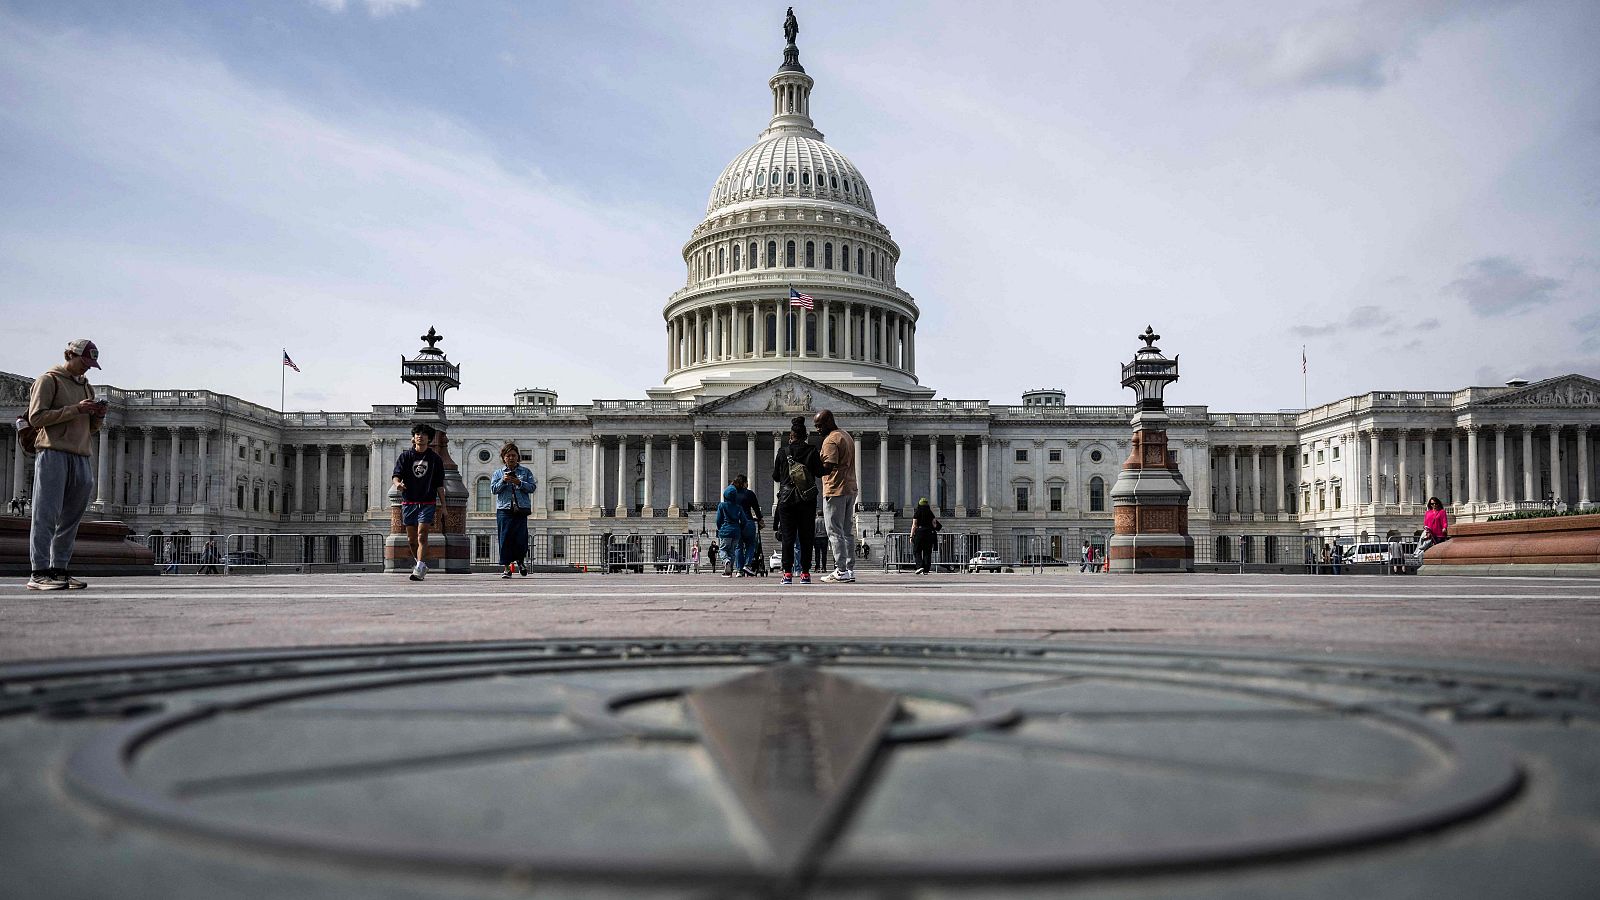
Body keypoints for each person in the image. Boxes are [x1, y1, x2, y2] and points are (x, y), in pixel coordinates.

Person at [25, 339, 106, 591]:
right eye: (84, 362)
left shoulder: (87, 387)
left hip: (81, 454)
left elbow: (90, 428)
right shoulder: (49, 380)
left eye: (91, 364)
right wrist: (75, 409)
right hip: (53, 451)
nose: (87, 368)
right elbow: (36, 417)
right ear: (69, 355)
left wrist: (97, 417)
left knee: (71, 518)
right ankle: (39, 572)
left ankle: (59, 569)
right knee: (45, 514)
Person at [771, 416, 824, 585]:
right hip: (806, 499)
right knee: (806, 537)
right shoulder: (812, 451)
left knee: (788, 537)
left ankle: (787, 573)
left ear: (791, 436)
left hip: (786, 499)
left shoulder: (782, 452)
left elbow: (776, 476)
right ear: (805, 436)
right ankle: (805, 573)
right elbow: (820, 472)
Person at [393, 423, 446, 581]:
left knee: (422, 535)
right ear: (413, 437)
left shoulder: (435, 459)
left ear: (429, 439)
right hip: (409, 501)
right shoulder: (405, 456)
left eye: (423, 434)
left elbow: (439, 485)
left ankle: (419, 568)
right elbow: (396, 476)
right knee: (411, 540)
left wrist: (444, 506)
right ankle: (420, 564)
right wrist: (398, 484)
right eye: (417, 434)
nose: (420, 436)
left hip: (427, 502)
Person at [813, 409, 858, 583]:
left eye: (819, 425)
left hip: (835, 489)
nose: (817, 429)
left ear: (828, 422)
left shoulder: (831, 440)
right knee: (847, 532)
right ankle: (849, 569)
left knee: (834, 531)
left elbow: (828, 466)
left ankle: (840, 570)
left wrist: (812, 467)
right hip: (849, 488)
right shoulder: (846, 436)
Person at [491, 442, 536, 579]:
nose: (511, 458)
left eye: (513, 455)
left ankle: (521, 562)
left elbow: (532, 488)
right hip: (504, 510)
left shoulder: (525, 472)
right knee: (504, 538)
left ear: (518, 457)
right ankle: (506, 568)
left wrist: (519, 483)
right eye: (508, 455)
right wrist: (503, 481)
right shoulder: (498, 473)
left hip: (521, 509)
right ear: (503, 458)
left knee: (520, 538)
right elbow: (493, 490)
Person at [715, 484, 752, 577]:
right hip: (736, 532)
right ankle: (729, 570)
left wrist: (720, 529)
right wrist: (740, 528)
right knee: (732, 551)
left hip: (725, 531)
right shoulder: (738, 507)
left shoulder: (722, 506)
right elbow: (744, 521)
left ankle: (726, 561)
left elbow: (718, 520)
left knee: (722, 549)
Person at [732, 474, 763, 576]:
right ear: (744, 483)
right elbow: (756, 508)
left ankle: (739, 570)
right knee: (751, 544)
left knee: (738, 547)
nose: (748, 484)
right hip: (748, 521)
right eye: (746, 482)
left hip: (736, 522)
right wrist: (760, 519)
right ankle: (747, 565)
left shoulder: (733, 494)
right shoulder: (749, 494)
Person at [910, 497, 940, 575]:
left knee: (917, 550)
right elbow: (934, 524)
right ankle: (926, 569)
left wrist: (911, 536)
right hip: (929, 533)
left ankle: (919, 566)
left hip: (919, 533)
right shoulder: (930, 513)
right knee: (927, 551)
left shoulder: (917, 512)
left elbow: (914, 525)